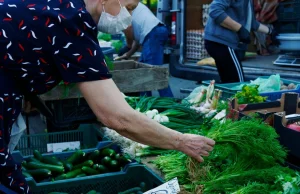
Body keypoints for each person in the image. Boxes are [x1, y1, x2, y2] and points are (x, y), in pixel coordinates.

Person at [0, 0, 215, 193]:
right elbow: (116, 117)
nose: (129, 17)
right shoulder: (72, 22)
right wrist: (181, 141)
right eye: (129, 7)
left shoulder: (61, 7)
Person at [204, 0, 279, 83]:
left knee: (228, 82)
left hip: (221, 43)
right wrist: (240, 29)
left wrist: (270, 32)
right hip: (221, 42)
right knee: (238, 83)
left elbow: (252, 23)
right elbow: (215, 11)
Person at [116, 1, 174, 97]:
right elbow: (138, 42)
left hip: (153, 34)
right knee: (142, 70)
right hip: (154, 33)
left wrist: (128, 45)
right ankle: (145, 100)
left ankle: (170, 102)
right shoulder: (133, 8)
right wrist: (128, 54)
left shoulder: (122, 7)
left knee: (154, 72)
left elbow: (128, 28)